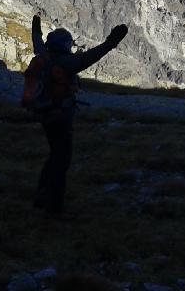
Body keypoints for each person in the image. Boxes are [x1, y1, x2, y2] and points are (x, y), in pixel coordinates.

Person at [29, 14, 128, 216]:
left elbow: (37, 41)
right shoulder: (70, 62)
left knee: (54, 154)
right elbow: (93, 55)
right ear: (66, 44)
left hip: (44, 114)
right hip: (62, 117)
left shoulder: (42, 55)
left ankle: (41, 194)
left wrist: (36, 29)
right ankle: (54, 208)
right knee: (61, 161)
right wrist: (111, 42)